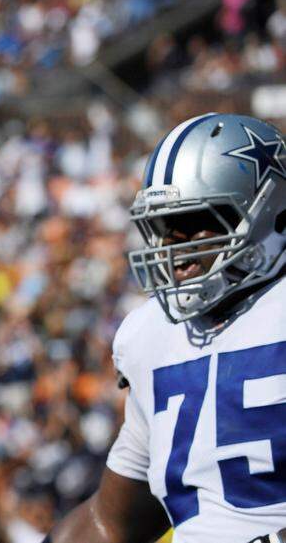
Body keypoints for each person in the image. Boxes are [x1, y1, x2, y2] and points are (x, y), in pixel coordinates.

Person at [47, 113, 286, 543]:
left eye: (197, 223)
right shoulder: (150, 338)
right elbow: (113, 521)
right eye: (163, 229)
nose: (177, 250)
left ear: (272, 211)